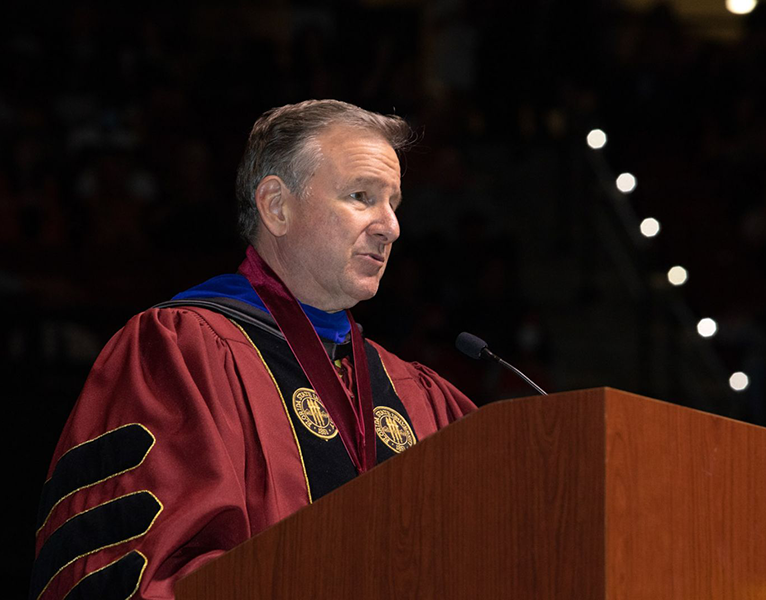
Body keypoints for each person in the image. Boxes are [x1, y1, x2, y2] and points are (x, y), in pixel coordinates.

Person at [29, 100, 476, 600]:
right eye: (361, 196)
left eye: (393, 203)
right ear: (276, 206)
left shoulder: (417, 394)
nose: (389, 226)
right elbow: (125, 569)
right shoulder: (180, 353)